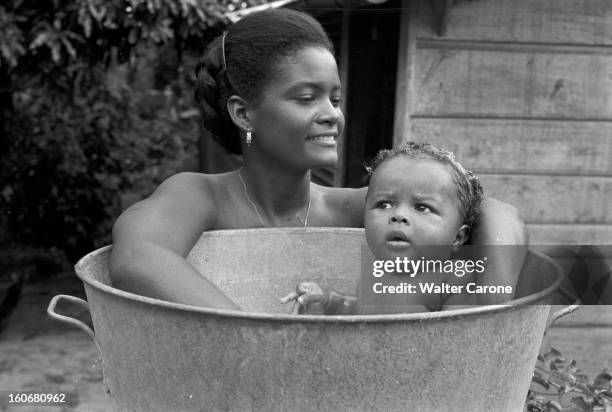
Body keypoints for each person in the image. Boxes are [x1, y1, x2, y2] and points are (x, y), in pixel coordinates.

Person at [109, 9, 527, 310]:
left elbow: (494, 211)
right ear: (243, 113)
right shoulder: (200, 197)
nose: (332, 114)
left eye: (336, 97)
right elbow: (136, 257)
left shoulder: (351, 207)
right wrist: (252, 338)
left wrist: (492, 304)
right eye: (307, 98)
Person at [281, 142, 502, 315]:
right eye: (384, 204)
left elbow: (464, 335)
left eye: (422, 207)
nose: (398, 215)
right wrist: (328, 301)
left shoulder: (453, 278)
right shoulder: (375, 269)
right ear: (365, 219)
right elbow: (357, 314)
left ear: (458, 237)